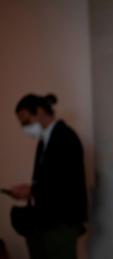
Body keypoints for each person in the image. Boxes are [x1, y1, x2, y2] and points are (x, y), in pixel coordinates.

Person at [7, 94, 88, 259]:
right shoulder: (45, 140)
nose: (24, 127)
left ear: (39, 111)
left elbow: (66, 183)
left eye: (26, 121)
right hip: (46, 222)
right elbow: (48, 179)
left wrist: (32, 190)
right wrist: (31, 190)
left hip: (61, 222)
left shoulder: (65, 137)